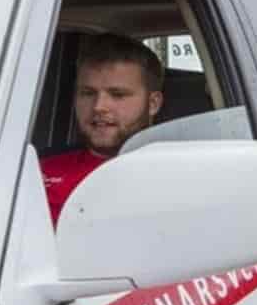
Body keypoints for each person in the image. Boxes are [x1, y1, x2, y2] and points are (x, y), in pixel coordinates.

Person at [40, 32, 164, 226]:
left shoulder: (172, 171)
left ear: (153, 103)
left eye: (117, 95)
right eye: (88, 93)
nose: (99, 106)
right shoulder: (36, 170)